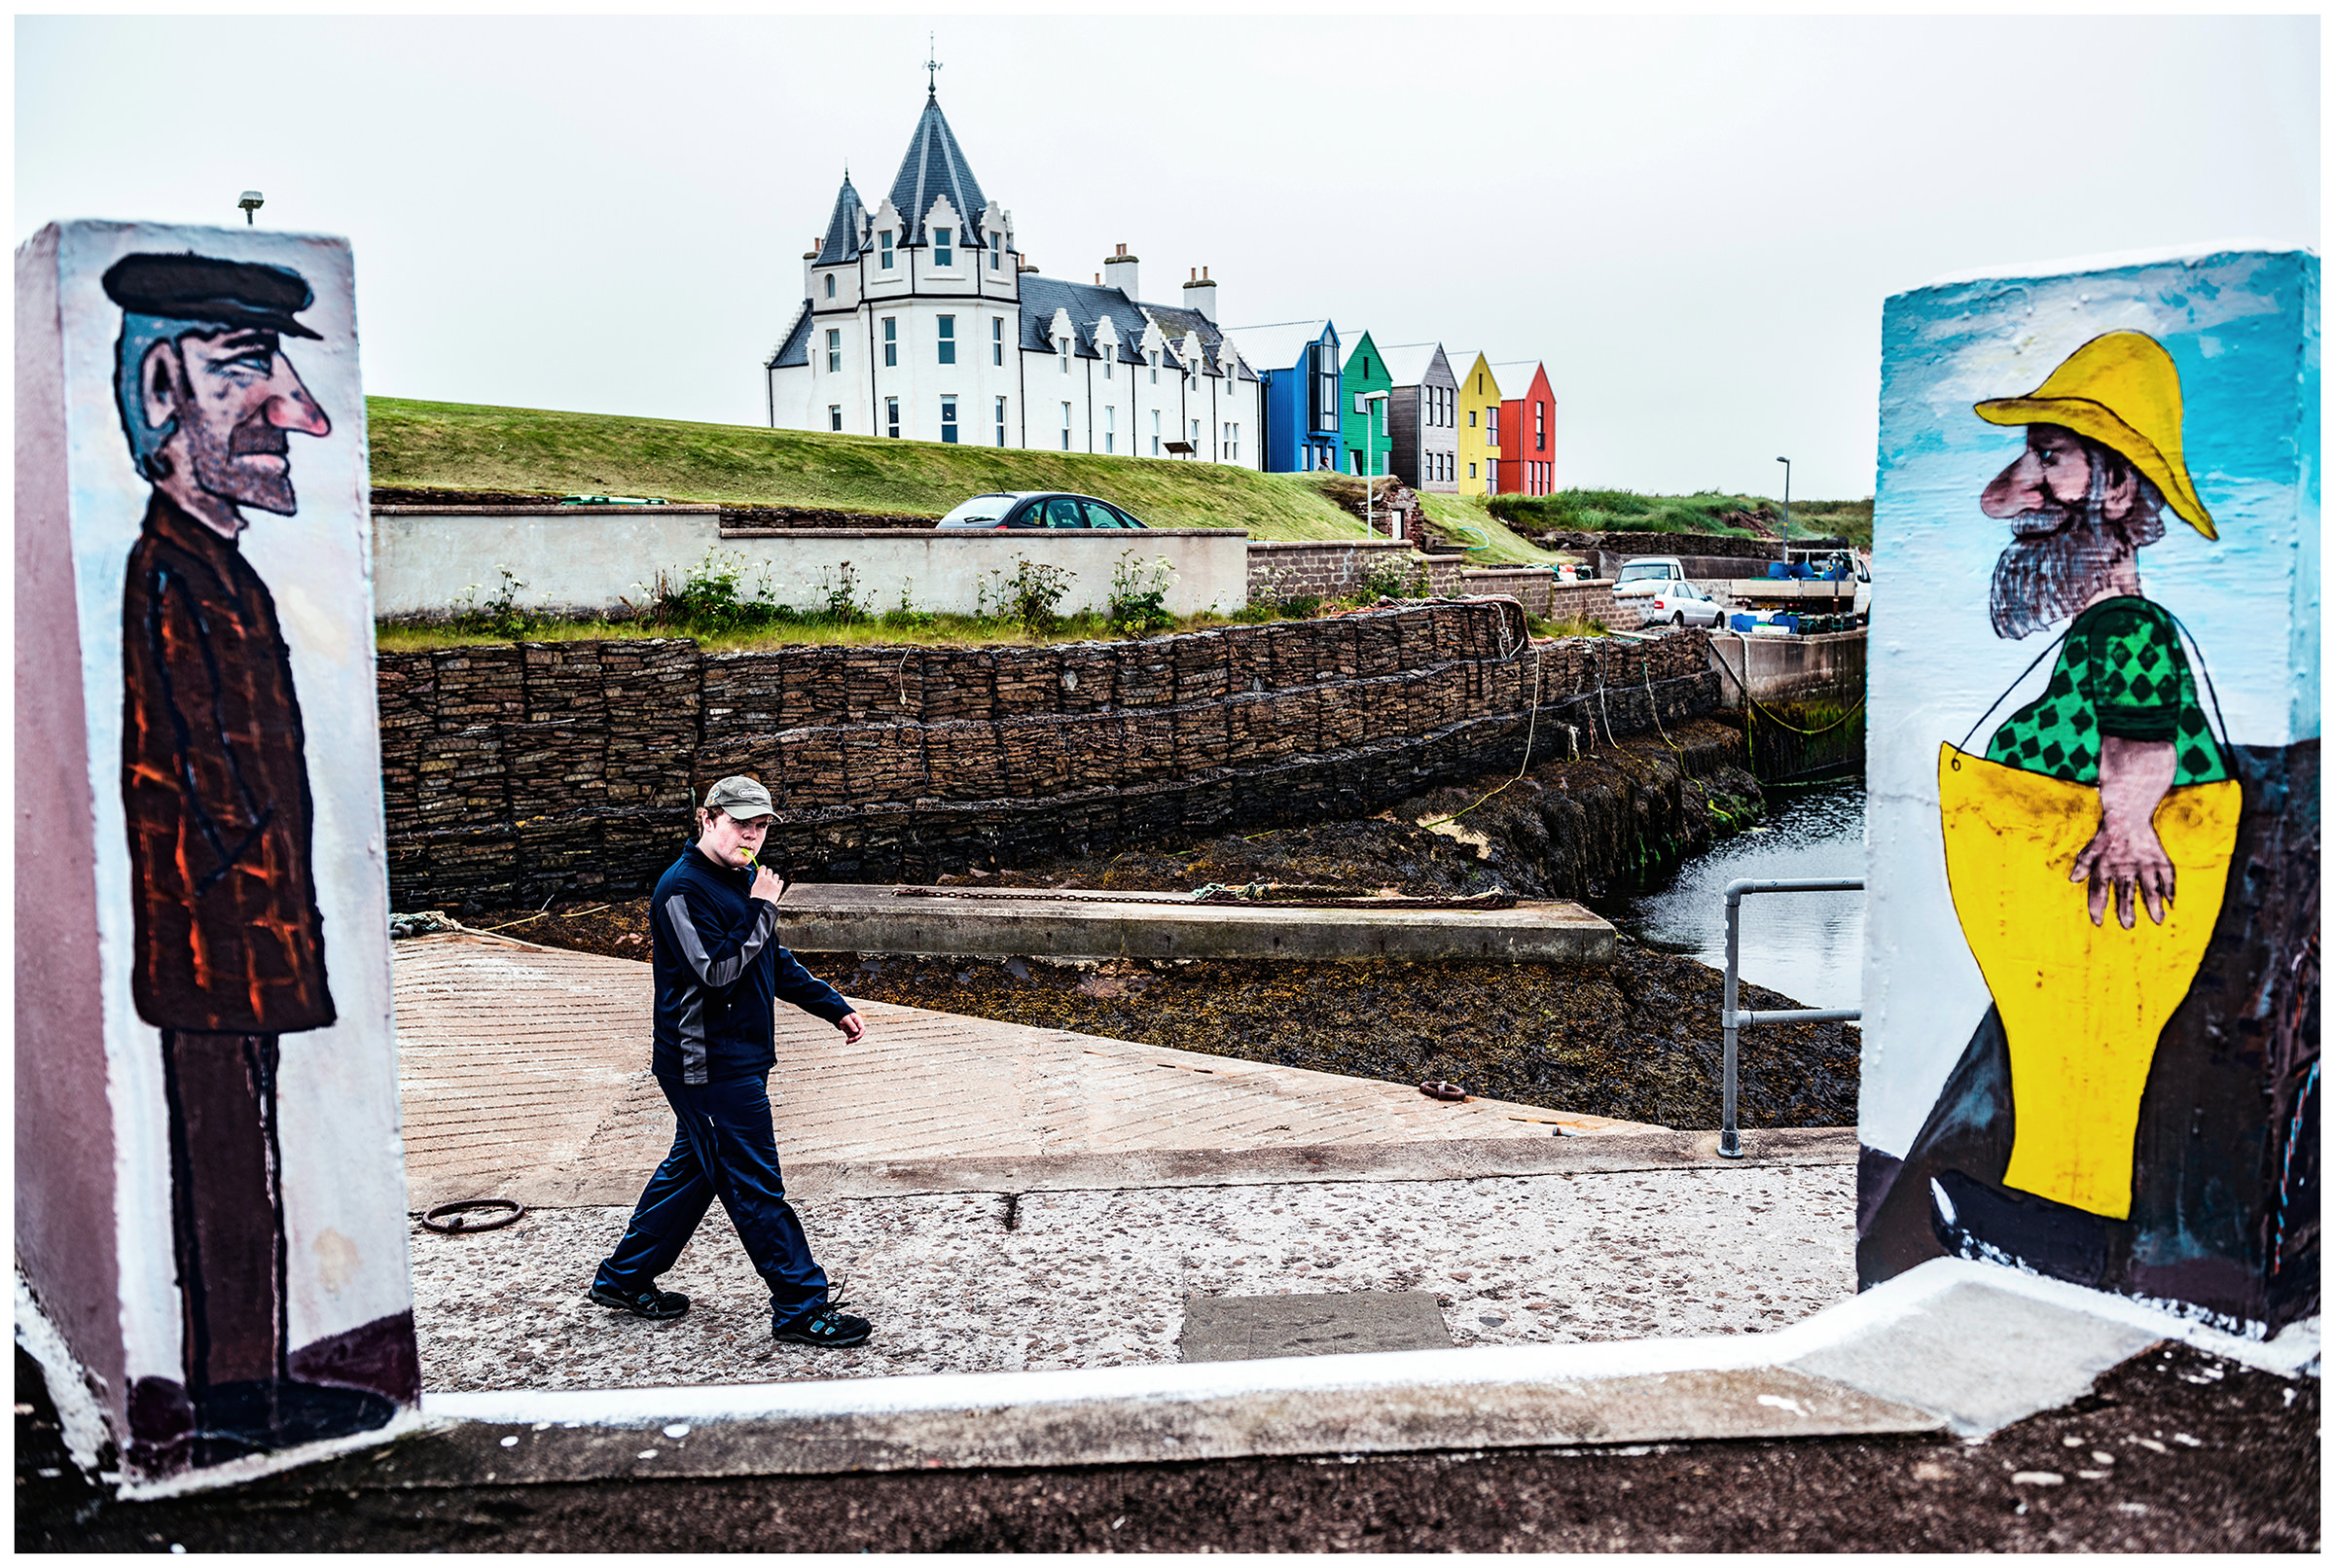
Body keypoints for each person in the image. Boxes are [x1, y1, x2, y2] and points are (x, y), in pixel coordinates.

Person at [106, 251, 398, 1467]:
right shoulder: (173, 573)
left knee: (248, 1159)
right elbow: (196, 788)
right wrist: (244, 899)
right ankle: (239, 1390)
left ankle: (252, 1376)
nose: (299, 411)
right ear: (166, 388)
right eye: (246, 370)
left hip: (241, 939)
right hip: (213, 942)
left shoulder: (219, 570)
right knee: (226, 1161)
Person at [589, 776, 874, 1348]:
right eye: (740, 822)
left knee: (695, 1171)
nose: (751, 834)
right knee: (753, 1183)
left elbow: (770, 958)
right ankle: (800, 1305)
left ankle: (623, 1279)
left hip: (736, 1058)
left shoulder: (741, 879)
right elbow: (716, 971)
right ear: (707, 819)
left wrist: (830, 1005)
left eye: (761, 824)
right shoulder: (682, 891)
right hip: (705, 1066)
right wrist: (763, 909)